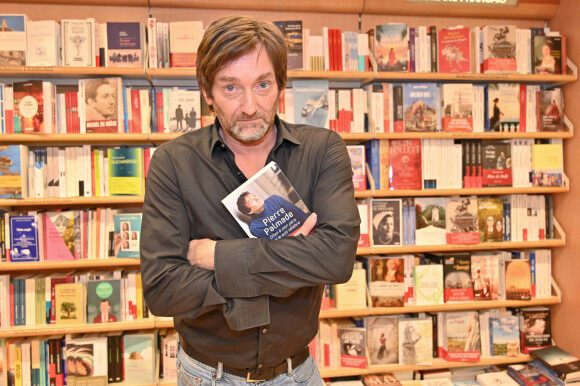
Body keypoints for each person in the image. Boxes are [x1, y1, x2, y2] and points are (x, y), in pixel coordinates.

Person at [140, 15, 359, 386]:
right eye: (230, 88)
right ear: (207, 93)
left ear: (280, 86)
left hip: (298, 373)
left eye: (262, 85)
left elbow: (337, 259)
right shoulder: (173, 163)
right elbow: (162, 291)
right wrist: (292, 267)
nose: (249, 106)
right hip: (206, 375)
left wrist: (215, 257)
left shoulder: (322, 150)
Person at [236, 192, 309, 239]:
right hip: (295, 243)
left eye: (254, 196)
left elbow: (300, 215)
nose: (256, 198)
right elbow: (281, 243)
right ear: (249, 211)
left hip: (307, 227)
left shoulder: (275, 199)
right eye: (251, 201)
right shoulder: (255, 228)